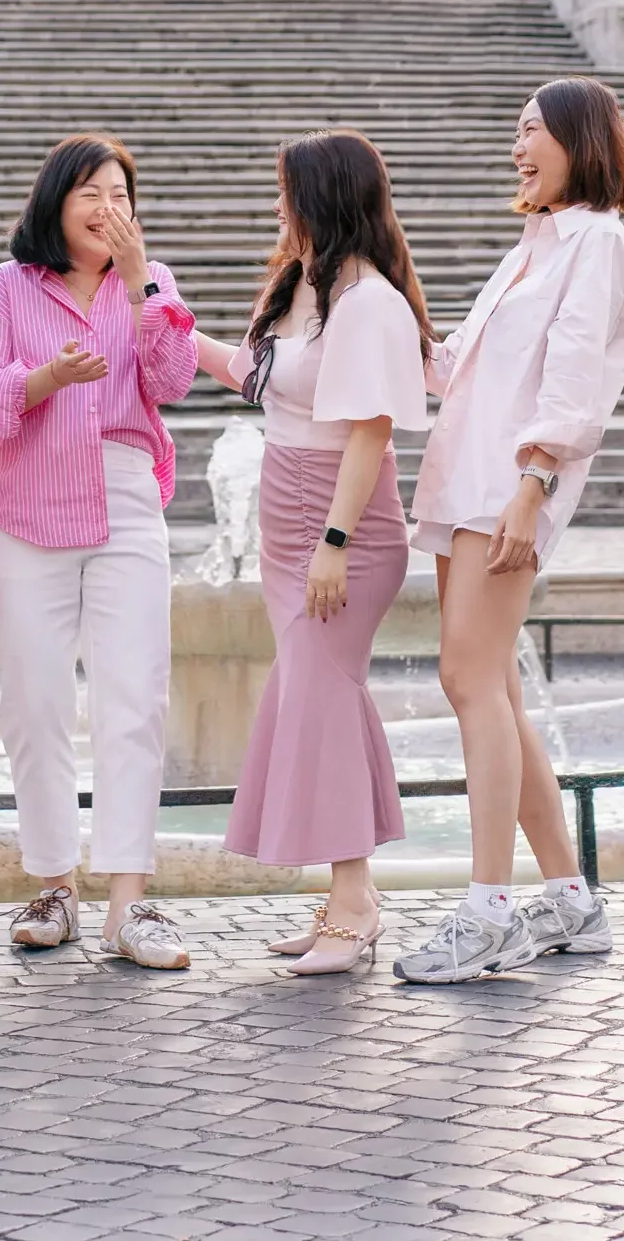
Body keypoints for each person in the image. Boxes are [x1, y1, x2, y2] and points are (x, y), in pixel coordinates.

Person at [393, 76, 624, 987]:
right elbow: (456, 364)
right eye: (515, 132)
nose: (517, 147)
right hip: (468, 483)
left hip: (508, 490)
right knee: (493, 685)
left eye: (532, 131)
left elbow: (576, 381)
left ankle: (488, 910)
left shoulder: (598, 244)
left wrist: (532, 486)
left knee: (465, 677)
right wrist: (385, 295)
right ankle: (570, 901)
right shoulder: (535, 243)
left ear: (579, 139)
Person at [195, 129, 428, 975]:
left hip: (346, 521)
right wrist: (170, 320)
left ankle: (356, 902)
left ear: (323, 197)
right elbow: (262, 383)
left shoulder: (369, 303)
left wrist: (332, 542)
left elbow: (369, 430)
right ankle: (345, 899)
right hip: (286, 509)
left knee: (324, 696)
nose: (277, 207)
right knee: (316, 694)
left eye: (287, 191)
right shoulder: (301, 285)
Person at [0, 132, 198, 969]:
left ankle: (128, 903)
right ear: (56, 202)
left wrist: (141, 286)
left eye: (122, 195)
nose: (110, 209)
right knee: (34, 704)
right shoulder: (5, 287)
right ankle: (54, 885)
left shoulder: (152, 283)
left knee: (135, 699)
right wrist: (45, 380)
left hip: (126, 499)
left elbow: (170, 382)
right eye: (93, 194)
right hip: (26, 509)